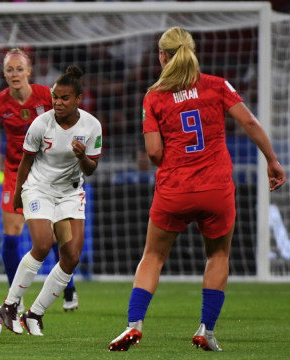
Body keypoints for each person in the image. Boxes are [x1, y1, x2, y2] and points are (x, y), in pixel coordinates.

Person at [108, 27, 286, 352]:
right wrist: (272, 161)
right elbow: (250, 123)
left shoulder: (154, 96)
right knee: (217, 255)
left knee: (153, 256)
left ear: (162, 56)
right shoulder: (217, 86)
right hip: (216, 188)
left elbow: (152, 153)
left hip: (174, 188)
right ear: (192, 51)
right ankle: (206, 329)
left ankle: (134, 324)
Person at [0, 65, 102, 336]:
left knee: (71, 256)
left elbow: (91, 168)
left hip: (69, 194)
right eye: (55, 96)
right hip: (39, 190)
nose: (57, 102)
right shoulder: (41, 124)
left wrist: (82, 157)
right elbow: (25, 162)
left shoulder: (91, 126)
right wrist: (20, 194)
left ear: (78, 99)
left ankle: (35, 313)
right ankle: (10, 306)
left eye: (65, 98)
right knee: (43, 244)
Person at [0, 48, 78, 313]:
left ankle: (68, 290)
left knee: (56, 236)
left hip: (49, 172)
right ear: (4, 74)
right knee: (11, 236)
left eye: (19, 69)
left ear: (29, 72)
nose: (15, 74)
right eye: (10, 70)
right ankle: (15, 297)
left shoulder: (47, 95)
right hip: (15, 173)